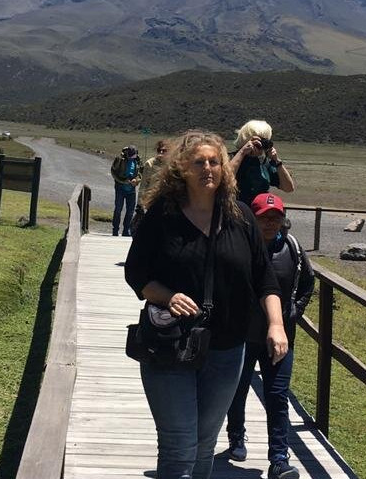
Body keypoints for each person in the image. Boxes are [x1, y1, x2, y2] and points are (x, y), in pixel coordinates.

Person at [125, 130, 289, 479]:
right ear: (182, 168)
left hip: (228, 348)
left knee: (203, 445)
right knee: (179, 445)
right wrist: (167, 296)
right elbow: (136, 274)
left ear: (224, 169)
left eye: (214, 161)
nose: (208, 168)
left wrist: (276, 324)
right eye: (199, 162)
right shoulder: (162, 217)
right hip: (171, 344)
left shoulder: (242, 217)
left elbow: (265, 278)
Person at [225, 193, 314, 479]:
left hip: (280, 338)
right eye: (264, 217)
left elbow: (308, 283)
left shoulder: (292, 247)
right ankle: (236, 435)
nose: (270, 223)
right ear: (252, 218)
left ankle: (279, 459)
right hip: (242, 335)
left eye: (276, 218)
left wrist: (294, 312)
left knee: (277, 396)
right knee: (236, 391)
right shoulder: (240, 246)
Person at [229, 120, 296, 205]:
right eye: (258, 140)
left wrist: (277, 161)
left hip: (260, 214)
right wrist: (242, 152)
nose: (260, 145)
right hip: (236, 211)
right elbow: (224, 179)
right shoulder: (231, 158)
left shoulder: (265, 163)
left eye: (264, 141)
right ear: (246, 139)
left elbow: (288, 188)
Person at [131, 139, 170, 235]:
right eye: (159, 150)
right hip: (151, 199)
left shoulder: (172, 164)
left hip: (168, 199)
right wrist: (140, 204)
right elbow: (144, 184)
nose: (161, 153)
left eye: (164, 151)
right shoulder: (150, 163)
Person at [111, 144, 142, 236]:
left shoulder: (137, 161)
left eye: (134, 155)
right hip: (120, 188)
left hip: (131, 190)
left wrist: (136, 180)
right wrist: (123, 181)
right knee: (118, 209)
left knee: (130, 211)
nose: (132, 156)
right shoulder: (120, 159)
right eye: (130, 155)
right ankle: (115, 230)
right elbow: (113, 171)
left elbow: (140, 173)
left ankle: (126, 230)